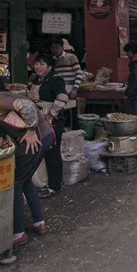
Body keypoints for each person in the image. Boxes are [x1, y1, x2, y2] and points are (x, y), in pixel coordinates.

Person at [0, 92, 55, 246]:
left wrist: (30, 132)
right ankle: (39, 223)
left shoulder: (1, 98)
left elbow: (28, 106)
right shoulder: (7, 96)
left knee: (15, 183)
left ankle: (18, 233)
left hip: (35, 139)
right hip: (45, 136)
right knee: (26, 180)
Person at [28, 54, 69, 198]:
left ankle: (54, 186)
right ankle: (42, 182)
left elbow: (63, 98)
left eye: (42, 64)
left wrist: (51, 115)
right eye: (36, 64)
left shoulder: (56, 80)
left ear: (49, 67)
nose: (38, 67)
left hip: (52, 122)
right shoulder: (35, 79)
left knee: (52, 153)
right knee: (41, 151)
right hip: (37, 120)